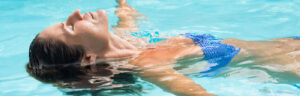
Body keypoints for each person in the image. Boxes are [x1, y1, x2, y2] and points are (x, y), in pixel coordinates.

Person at [26, 0, 300, 96]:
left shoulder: (131, 42)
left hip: (289, 44)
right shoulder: (148, 65)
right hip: (292, 67)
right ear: (88, 58)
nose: (75, 13)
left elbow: (127, 14)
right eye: (70, 28)